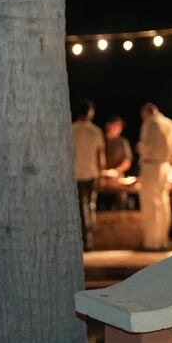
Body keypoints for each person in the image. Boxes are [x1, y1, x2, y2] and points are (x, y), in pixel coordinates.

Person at [137, 102, 172, 250]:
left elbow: (145, 146)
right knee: (163, 203)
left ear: (146, 113)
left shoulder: (150, 122)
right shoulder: (169, 123)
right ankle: (163, 240)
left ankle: (151, 243)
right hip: (165, 166)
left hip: (151, 166)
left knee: (151, 204)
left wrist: (140, 147)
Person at [72, 99, 105, 249]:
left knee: (80, 207)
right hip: (92, 173)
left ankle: (83, 238)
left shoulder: (71, 130)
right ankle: (88, 239)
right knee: (91, 206)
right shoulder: (96, 131)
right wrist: (102, 174)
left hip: (75, 173)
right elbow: (100, 156)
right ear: (90, 113)